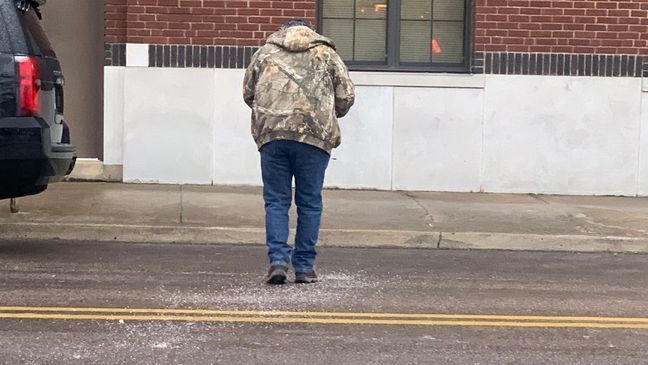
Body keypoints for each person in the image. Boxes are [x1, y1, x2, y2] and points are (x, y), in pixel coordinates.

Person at [243, 18, 355, 285]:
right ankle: (304, 267)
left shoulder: (265, 52)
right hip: (314, 137)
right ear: (310, 31)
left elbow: (249, 93)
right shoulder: (326, 54)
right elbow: (346, 96)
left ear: (283, 32)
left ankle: (278, 262)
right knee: (309, 202)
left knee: (276, 200)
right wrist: (328, 112)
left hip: (273, 136)